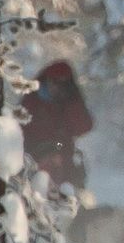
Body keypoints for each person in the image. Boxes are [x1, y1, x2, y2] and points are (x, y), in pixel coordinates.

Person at [18, 58, 93, 192]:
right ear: (47, 81)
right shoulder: (32, 100)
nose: (58, 88)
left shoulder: (69, 101)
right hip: (33, 152)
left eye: (64, 84)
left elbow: (84, 126)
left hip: (62, 149)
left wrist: (73, 101)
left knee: (61, 156)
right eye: (55, 83)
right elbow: (20, 129)